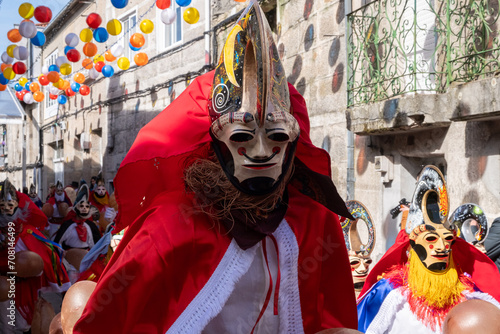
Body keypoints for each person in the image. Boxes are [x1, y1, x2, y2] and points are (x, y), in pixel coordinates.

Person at [74, 2, 358, 333]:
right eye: (242, 136)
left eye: (278, 135)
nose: (262, 151)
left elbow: (329, 314)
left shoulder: (314, 220)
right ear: (215, 141)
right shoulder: (171, 224)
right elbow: (112, 320)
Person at [356, 166, 500, 334]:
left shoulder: (469, 291)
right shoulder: (389, 293)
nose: (442, 247)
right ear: (412, 246)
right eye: (431, 239)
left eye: (448, 239)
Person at [0, 179, 70, 333]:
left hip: (26, 288)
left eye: (10, 206)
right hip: (4, 291)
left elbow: (43, 261)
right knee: (8, 327)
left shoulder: (29, 233)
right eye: (2, 206)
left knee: (25, 325)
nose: (6, 210)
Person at [54, 184, 101, 251]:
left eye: (87, 206)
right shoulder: (67, 224)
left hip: (87, 256)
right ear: (76, 208)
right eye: (81, 206)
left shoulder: (91, 225)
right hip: (69, 256)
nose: (84, 208)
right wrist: (62, 253)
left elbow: (97, 244)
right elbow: (58, 243)